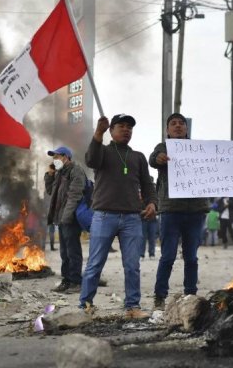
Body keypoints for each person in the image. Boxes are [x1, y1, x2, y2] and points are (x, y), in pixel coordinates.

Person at [150, 112, 233, 309]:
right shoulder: (163, 148)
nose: (178, 126)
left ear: (186, 129)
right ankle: (160, 296)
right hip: (170, 211)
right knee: (168, 256)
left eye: (181, 124)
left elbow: (223, 163)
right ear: (167, 130)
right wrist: (159, 158)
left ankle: (190, 295)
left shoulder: (199, 149)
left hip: (195, 211)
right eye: (173, 124)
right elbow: (152, 160)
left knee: (191, 257)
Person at [80, 114, 157, 319]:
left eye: (129, 127)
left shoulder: (138, 157)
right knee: (95, 264)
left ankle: (132, 306)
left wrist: (151, 202)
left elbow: (147, 184)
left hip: (132, 218)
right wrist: (98, 132)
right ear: (112, 130)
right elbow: (90, 159)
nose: (126, 130)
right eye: (121, 126)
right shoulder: (103, 152)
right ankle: (85, 305)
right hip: (104, 216)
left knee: (132, 265)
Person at [45, 146, 86, 294]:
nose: (55, 160)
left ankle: (76, 282)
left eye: (57, 157)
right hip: (62, 218)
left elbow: (75, 196)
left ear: (66, 157)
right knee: (64, 252)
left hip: (71, 218)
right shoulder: (59, 174)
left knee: (72, 251)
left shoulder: (76, 171)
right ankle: (67, 280)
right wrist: (49, 175)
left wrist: (66, 217)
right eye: (53, 157)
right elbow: (51, 191)